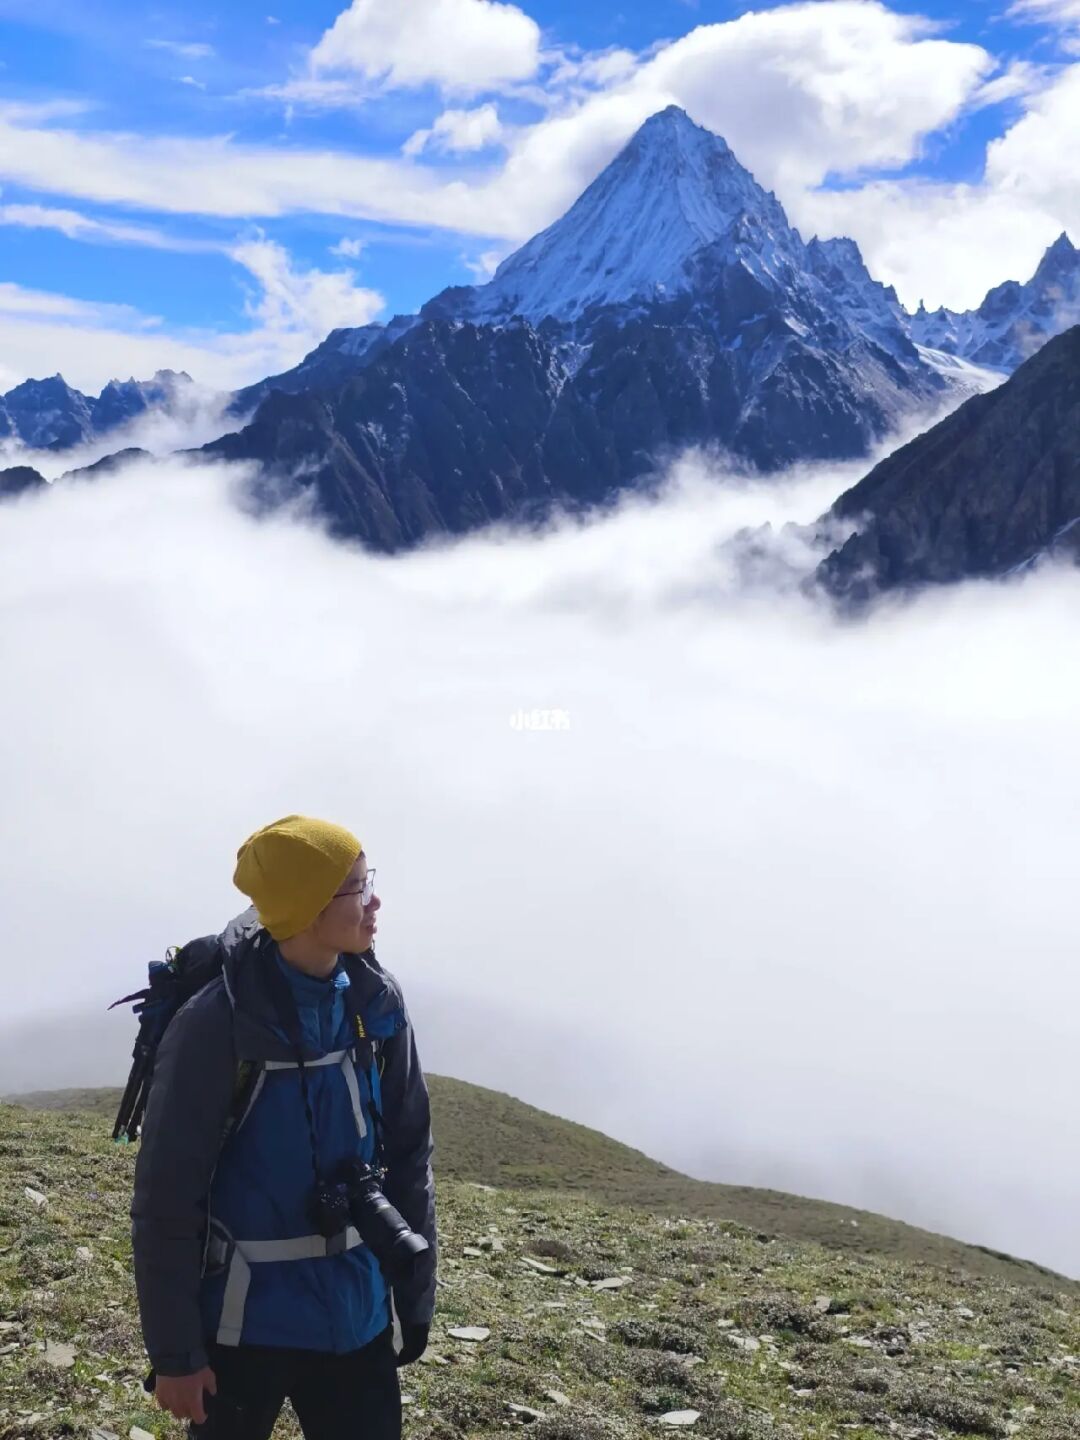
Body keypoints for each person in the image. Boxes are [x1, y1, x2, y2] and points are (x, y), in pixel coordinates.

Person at [130, 815, 438, 1440]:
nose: (374, 899)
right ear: (307, 908)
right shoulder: (217, 1025)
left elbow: (410, 1152)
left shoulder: (375, 1001)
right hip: (245, 1328)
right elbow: (166, 1197)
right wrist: (175, 1357)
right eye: (355, 887)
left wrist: (413, 1296)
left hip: (359, 1315)